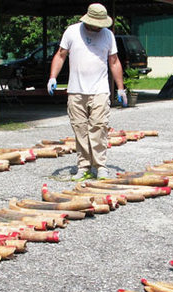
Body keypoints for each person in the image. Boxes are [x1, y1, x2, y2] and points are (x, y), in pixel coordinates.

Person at [47, 3, 127, 181]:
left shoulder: (108, 35)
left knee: (99, 127)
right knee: (80, 129)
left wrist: (121, 88)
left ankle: (100, 166)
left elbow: (114, 61)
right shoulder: (72, 32)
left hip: (100, 89)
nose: (98, 27)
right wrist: (53, 77)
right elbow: (61, 55)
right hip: (76, 90)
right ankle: (83, 166)